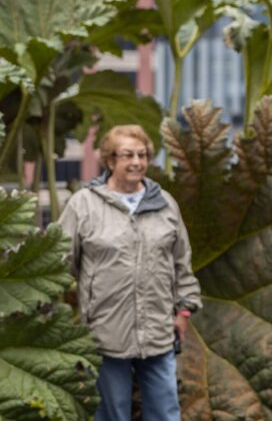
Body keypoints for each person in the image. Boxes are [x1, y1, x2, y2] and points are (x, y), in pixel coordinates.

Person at [58, 125, 202, 421]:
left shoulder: (165, 205)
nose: (136, 162)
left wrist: (184, 312)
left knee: (165, 413)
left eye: (142, 155)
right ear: (110, 161)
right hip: (106, 333)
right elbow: (59, 262)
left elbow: (181, 265)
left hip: (158, 332)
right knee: (112, 415)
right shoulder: (84, 205)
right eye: (127, 155)